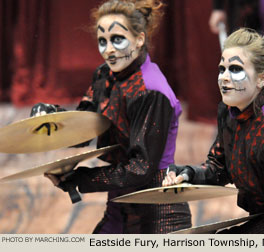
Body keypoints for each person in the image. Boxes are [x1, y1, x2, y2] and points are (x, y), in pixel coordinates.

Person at [30, 0, 192, 234]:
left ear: (139, 39)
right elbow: (86, 127)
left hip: (158, 211)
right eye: (102, 41)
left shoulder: (152, 91)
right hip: (121, 204)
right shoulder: (105, 74)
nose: (108, 49)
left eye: (117, 39)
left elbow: (140, 168)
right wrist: (52, 121)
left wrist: (80, 179)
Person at [162, 28, 264, 234]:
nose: (224, 77)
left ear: (262, 78)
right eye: (222, 68)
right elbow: (219, 167)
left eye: (235, 69)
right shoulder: (230, 111)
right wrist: (187, 174)